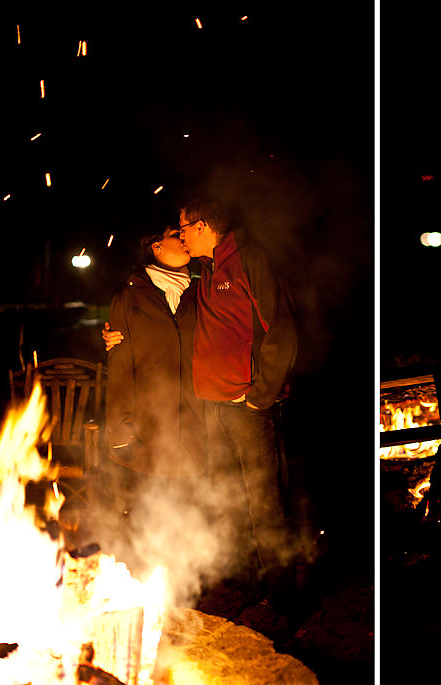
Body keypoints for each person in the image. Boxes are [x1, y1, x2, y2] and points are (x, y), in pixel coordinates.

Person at [177, 194, 299, 603]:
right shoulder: (205, 271)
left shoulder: (250, 259)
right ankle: (244, 586)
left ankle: (283, 596)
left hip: (248, 407)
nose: (180, 237)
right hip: (215, 405)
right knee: (227, 498)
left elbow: (281, 327)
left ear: (204, 227)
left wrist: (260, 394)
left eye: (183, 229)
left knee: (264, 500)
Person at [100, 225, 206, 573]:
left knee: (195, 502)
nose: (185, 239)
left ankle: (189, 578)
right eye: (177, 234)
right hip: (151, 418)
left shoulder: (201, 287)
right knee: (152, 502)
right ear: (156, 247)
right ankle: (148, 578)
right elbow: (119, 366)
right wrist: (119, 426)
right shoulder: (131, 296)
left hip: (196, 415)